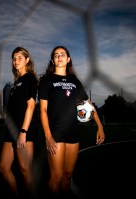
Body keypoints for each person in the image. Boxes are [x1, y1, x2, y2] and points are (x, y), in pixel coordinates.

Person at [38, 45, 105, 198]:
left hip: (73, 133)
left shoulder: (75, 81)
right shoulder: (47, 81)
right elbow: (42, 110)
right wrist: (48, 136)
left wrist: (100, 126)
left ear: (68, 59)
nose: (59, 56)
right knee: (56, 177)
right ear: (53, 60)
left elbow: (89, 105)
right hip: (55, 133)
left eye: (62, 54)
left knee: (68, 175)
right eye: (56, 55)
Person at [0, 46, 39, 198]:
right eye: (14, 59)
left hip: (24, 130)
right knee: (3, 167)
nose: (16, 61)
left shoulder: (30, 78)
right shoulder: (16, 82)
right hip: (11, 130)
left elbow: (30, 107)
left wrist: (23, 132)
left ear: (27, 60)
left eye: (19, 58)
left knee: (25, 169)